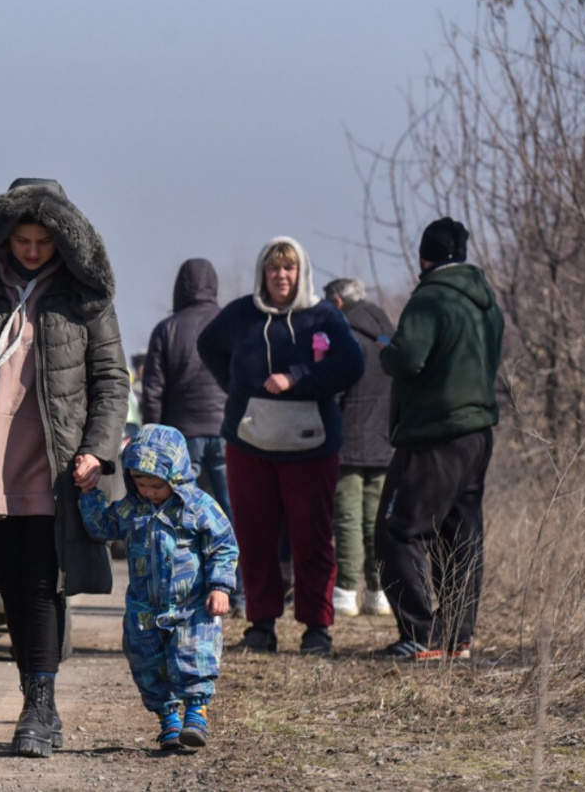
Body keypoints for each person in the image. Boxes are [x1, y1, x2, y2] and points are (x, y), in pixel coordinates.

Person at [0, 178, 128, 758]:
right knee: (13, 582)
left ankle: (38, 705)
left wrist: (97, 448)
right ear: (3, 235)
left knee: (43, 578)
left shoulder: (84, 294)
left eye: (43, 240)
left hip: (56, 462)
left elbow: (113, 379)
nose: (32, 250)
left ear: (63, 239)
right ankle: (36, 697)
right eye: (22, 238)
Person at [196, 237, 363, 655]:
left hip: (312, 447)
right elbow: (208, 346)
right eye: (274, 268)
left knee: (313, 538)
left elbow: (352, 363)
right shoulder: (241, 315)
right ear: (262, 273)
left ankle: (317, 628)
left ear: (301, 271)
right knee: (254, 538)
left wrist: (299, 377)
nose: (281, 276)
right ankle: (260, 625)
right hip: (250, 445)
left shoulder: (322, 316)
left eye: (289, 268)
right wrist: (239, 391)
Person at [374, 217, 503, 661]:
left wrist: (387, 352)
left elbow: (407, 358)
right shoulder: (486, 304)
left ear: (424, 257)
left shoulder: (429, 300)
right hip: (478, 435)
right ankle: (456, 638)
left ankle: (420, 634)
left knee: (397, 532)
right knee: (460, 536)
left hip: (434, 435)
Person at [80, 425, 238, 751]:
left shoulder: (197, 507)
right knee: (146, 662)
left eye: (157, 485)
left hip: (192, 605)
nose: (150, 491)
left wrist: (221, 586)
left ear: (177, 475)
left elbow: (223, 545)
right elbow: (102, 526)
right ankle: (168, 720)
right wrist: (89, 495)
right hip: (145, 607)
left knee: (194, 656)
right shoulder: (132, 508)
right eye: (141, 483)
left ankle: (196, 713)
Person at [323, 277, 395, 618]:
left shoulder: (342, 334)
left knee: (348, 517)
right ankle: (379, 591)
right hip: (385, 439)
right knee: (376, 519)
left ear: (337, 303)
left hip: (348, 439)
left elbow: (334, 387)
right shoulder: (387, 330)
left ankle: (347, 590)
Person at [141, 258, 231, 517]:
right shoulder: (227, 322)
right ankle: (238, 557)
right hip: (226, 429)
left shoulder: (166, 329)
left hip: (182, 434)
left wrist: (152, 438)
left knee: (183, 508)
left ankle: (187, 558)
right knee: (231, 506)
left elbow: (153, 391)